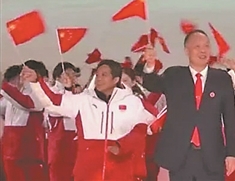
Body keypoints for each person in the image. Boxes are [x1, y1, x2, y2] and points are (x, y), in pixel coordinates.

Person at [27, 59, 156, 181]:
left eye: (104, 75)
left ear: (116, 79)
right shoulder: (83, 100)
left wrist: (122, 146)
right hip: (88, 172)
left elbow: (146, 126)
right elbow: (52, 102)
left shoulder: (133, 102)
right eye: (97, 74)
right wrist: (36, 82)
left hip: (122, 171)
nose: (99, 78)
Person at [141, 29, 235, 181]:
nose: (203, 50)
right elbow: (152, 84)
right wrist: (150, 64)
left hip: (211, 156)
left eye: (206, 46)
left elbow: (230, 119)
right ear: (187, 51)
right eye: (197, 46)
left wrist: (232, 153)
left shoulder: (222, 79)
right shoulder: (174, 75)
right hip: (180, 155)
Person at [47, 62, 80, 181]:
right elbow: (55, 109)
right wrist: (68, 90)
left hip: (74, 138)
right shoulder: (52, 91)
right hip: (59, 138)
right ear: (57, 77)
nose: (71, 77)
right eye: (67, 74)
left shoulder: (78, 93)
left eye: (73, 74)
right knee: (58, 171)